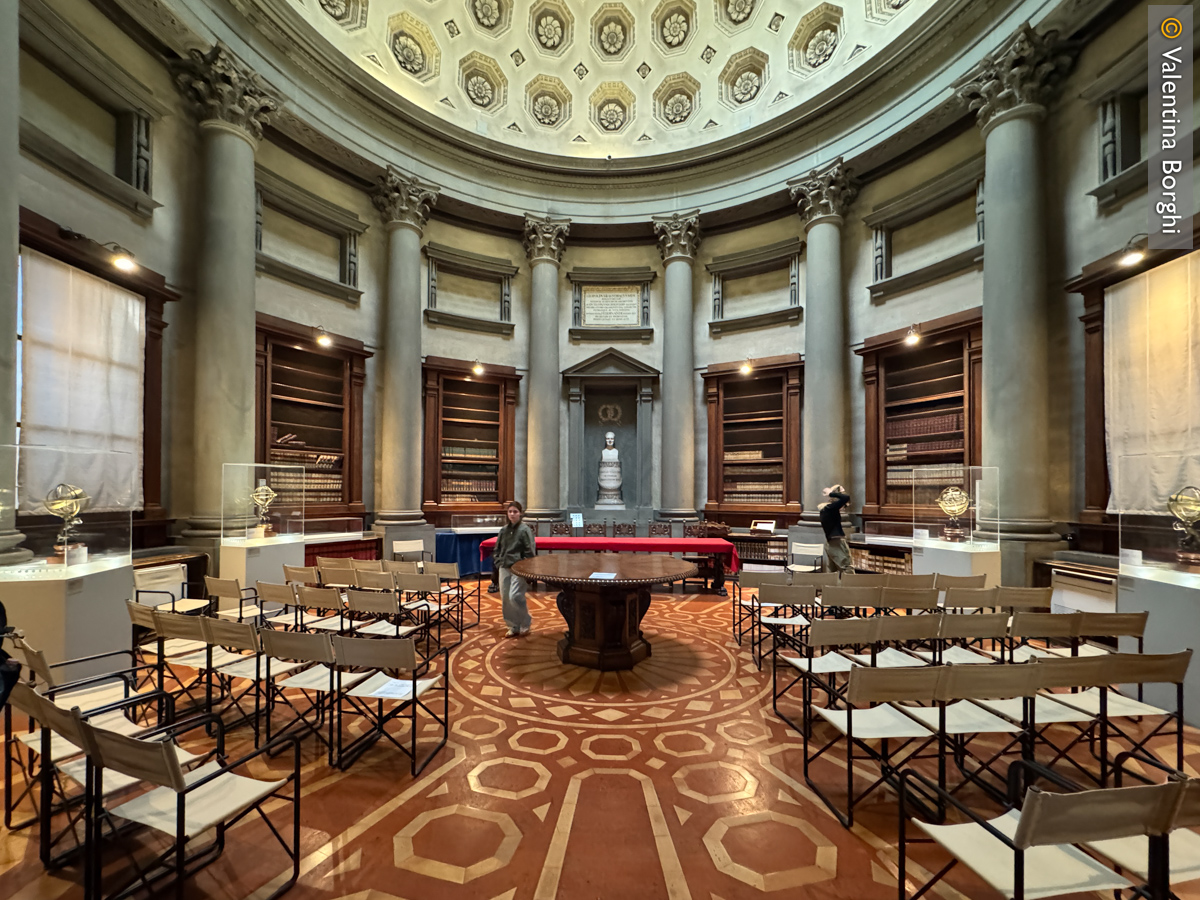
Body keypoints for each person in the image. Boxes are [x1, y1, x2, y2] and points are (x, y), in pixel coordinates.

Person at [494, 500, 536, 637]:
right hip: (504, 566)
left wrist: (525, 567)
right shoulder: (503, 530)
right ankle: (513, 625)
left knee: (515, 596)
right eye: (510, 511)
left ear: (520, 513)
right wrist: (498, 561)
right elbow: (497, 548)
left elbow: (530, 550)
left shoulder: (524, 530)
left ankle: (525, 622)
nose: (512, 514)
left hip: (518, 568)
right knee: (505, 598)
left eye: (515, 512)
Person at [819, 484, 852, 574]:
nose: (844, 507)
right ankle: (851, 584)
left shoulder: (826, 509)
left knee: (832, 571)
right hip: (837, 542)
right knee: (847, 568)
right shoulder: (830, 508)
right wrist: (831, 493)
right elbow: (846, 497)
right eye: (844, 505)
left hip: (831, 543)